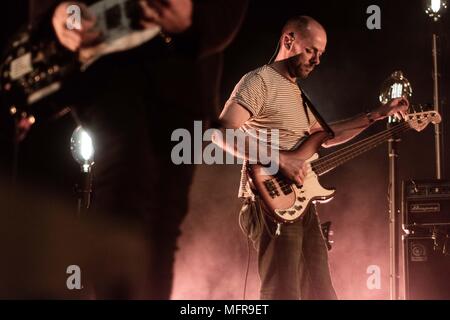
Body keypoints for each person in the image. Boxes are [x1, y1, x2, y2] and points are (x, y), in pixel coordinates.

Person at [27, 0, 248, 299]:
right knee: (127, 188)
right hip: (109, 68)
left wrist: (200, 18)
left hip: (184, 75)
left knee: (163, 219)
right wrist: (53, 12)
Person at [215, 15, 409, 300]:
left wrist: (378, 114)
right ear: (288, 40)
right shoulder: (259, 82)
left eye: (321, 54)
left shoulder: (295, 92)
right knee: (283, 292)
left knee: (321, 293)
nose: (317, 60)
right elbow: (221, 133)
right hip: (270, 201)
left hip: (301, 204)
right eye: (311, 50)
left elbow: (327, 137)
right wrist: (280, 160)